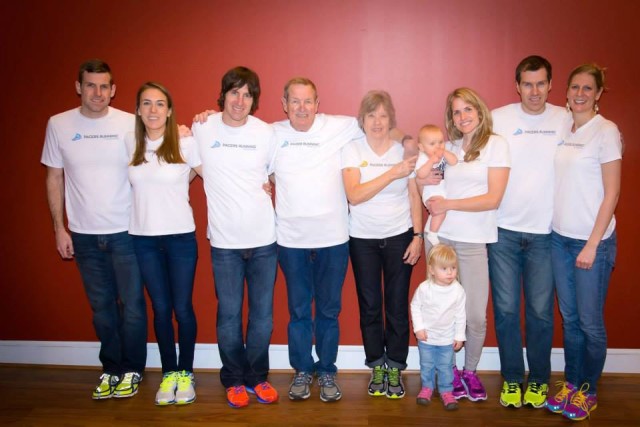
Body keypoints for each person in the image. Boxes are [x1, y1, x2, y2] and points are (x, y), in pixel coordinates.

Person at [41, 59, 147, 399]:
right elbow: (53, 177)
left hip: (127, 232)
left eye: (104, 86)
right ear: (78, 87)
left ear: (113, 90)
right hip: (84, 235)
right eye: (90, 85)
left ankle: (132, 369)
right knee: (102, 307)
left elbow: (160, 158)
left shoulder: (132, 124)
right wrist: (60, 228)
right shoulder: (58, 125)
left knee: (131, 306)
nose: (97, 92)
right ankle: (111, 368)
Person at [192, 66, 279, 409]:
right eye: (234, 92)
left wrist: (270, 184)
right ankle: (233, 380)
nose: (240, 100)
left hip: (264, 240)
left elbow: (274, 172)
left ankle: (257, 377)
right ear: (223, 94)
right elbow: (193, 162)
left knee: (262, 316)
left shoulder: (265, 132)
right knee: (229, 315)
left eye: (247, 94)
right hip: (225, 243)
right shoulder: (203, 127)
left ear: (254, 100)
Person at [488, 55, 570, 409]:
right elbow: (468, 152)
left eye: (541, 83)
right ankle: (510, 379)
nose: (534, 91)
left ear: (551, 85)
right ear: (517, 85)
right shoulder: (499, 118)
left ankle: (538, 380)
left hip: (546, 233)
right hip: (503, 230)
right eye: (527, 84)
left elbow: (599, 143)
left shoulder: (566, 119)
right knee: (505, 311)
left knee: (539, 312)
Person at [546, 64, 621, 421]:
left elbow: (611, 194)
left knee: (590, 323)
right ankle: (572, 383)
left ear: (599, 93)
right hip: (559, 239)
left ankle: (588, 388)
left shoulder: (605, 131)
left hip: (592, 243)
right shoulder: (564, 125)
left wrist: (592, 244)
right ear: (566, 91)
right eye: (574, 86)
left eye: (587, 88)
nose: (580, 93)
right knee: (570, 318)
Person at [424, 87, 510, 402]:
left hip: (473, 242)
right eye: (457, 112)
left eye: (468, 109)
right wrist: (425, 185)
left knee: (474, 315)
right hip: (441, 239)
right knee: (441, 312)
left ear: (479, 111)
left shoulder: (496, 145)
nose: (463, 117)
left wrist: (449, 204)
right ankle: (445, 373)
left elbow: (493, 198)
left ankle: (469, 372)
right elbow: (426, 181)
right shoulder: (448, 148)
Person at [341, 90, 422, 399]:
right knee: (370, 304)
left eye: (383, 116)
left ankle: (395, 367)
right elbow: (355, 195)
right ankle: (376, 363)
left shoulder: (404, 152)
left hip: (400, 235)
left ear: (392, 120)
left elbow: (414, 195)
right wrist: (392, 173)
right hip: (362, 239)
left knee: (398, 306)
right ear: (362, 120)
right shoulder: (351, 150)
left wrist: (418, 236)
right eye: (371, 115)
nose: (377, 122)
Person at [126, 82, 200, 406]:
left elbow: (212, 176)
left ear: (169, 110)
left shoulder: (185, 142)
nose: (153, 110)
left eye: (160, 104)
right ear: (139, 110)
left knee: (182, 308)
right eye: (147, 104)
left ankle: (186, 372)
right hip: (143, 239)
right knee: (160, 308)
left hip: (181, 238)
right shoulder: (129, 144)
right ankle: (168, 372)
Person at [410, 244, 466, 411]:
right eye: (444, 268)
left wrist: (459, 336)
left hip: (446, 339)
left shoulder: (458, 291)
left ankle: (446, 391)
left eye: (453, 268)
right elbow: (415, 306)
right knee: (426, 365)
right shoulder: (425, 288)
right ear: (432, 270)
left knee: (445, 366)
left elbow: (461, 315)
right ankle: (427, 388)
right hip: (426, 337)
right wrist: (418, 328)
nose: (450, 272)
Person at [415, 124, 458, 246]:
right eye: (432, 144)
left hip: (442, 191)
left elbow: (454, 161)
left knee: (443, 209)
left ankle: (434, 231)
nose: (438, 146)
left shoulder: (443, 155)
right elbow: (421, 174)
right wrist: (431, 161)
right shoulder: (423, 158)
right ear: (422, 147)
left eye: (440, 142)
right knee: (441, 210)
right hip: (431, 193)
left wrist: (444, 152)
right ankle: (433, 233)